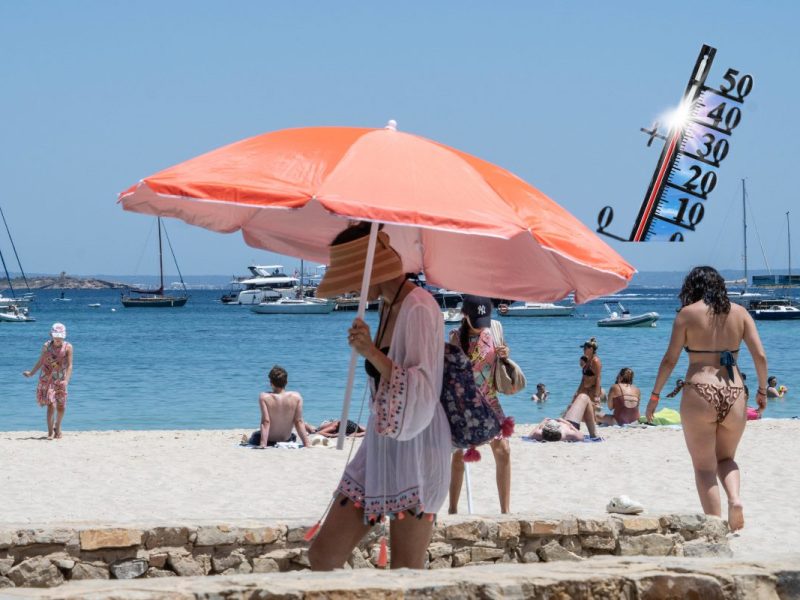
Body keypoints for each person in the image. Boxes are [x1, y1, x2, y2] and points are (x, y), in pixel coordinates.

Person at [307, 224, 450, 571]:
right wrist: (370, 350)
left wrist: (370, 351)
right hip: (381, 442)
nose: (353, 288)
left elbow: (422, 388)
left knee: (406, 567)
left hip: (420, 445)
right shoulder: (388, 305)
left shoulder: (418, 306)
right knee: (323, 555)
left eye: (354, 279)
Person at [647, 266, 768, 532]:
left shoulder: (687, 314)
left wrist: (655, 394)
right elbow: (760, 356)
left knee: (704, 467)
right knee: (726, 458)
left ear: (693, 287)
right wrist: (761, 390)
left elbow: (670, 359)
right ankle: (735, 499)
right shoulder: (740, 313)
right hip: (734, 390)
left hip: (700, 389)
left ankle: (715, 528)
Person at [448, 295, 515, 515]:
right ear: (464, 316)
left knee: (503, 449)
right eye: (475, 320)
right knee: (458, 455)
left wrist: (505, 354)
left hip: (490, 398)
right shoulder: (456, 338)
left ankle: (505, 511)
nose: (480, 327)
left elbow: (500, 359)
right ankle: (453, 509)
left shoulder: (494, 329)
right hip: (464, 402)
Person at [22, 322, 73, 439]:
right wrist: (31, 373)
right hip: (47, 378)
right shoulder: (46, 346)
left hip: (60, 378)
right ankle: (50, 432)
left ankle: (58, 427)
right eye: (56, 336)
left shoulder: (68, 347)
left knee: (61, 406)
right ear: (51, 334)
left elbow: (70, 365)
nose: (58, 338)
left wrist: (66, 380)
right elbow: (41, 361)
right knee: (51, 404)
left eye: (60, 336)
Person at [249, 366, 312, 448]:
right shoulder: (297, 397)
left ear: (271, 382)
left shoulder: (264, 397)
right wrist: (306, 443)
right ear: (286, 382)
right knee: (293, 435)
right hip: (286, 440)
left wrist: (263, 444)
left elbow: (266, 421)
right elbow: (298, 421)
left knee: (255, 435)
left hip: (269, 440)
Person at [574, 338, 603, 412]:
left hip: (592, 391)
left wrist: (597, 396)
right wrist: (578, 391)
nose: (583, 350)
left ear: (591, 349)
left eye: (585, 348)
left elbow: (598, 378)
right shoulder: (587, 360)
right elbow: (584, 378)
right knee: (575, 406)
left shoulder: (595, 361)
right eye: (583, 348)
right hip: (585, 389)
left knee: (592, 413)